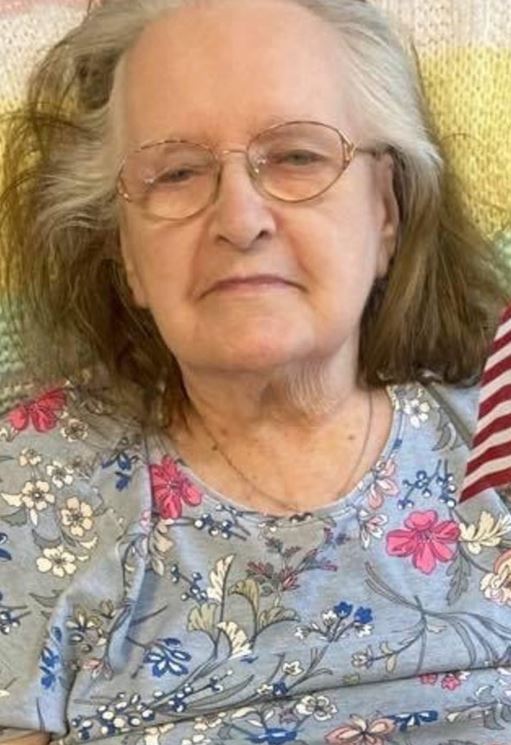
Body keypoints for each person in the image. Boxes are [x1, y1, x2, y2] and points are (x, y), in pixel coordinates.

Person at [0, 0, 510, 743]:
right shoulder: (33, 481)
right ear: (127, 255)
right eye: (176, 172)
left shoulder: (492, 424)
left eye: (298, 157)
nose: (240, 220)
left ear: (386, 213)